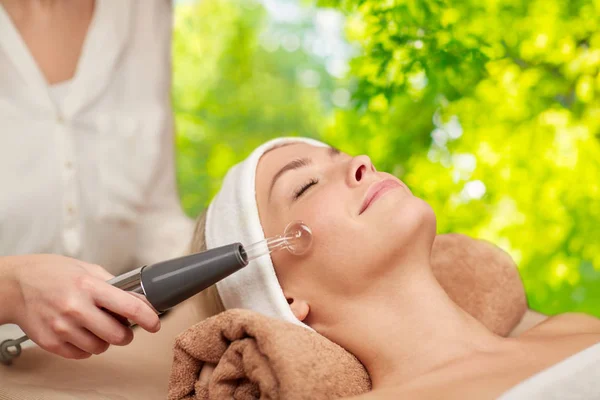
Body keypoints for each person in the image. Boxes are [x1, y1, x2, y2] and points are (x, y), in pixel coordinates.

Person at [195, 137, 600, 399]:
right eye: (306, 186)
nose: (363, 161)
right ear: (285, 298)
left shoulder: (578, 328)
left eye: (344, 155)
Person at [0, 0, 193, 361]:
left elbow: (156, 219)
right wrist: (11, 289)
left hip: (102, 366)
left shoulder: (145, 11)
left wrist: (236, 272)